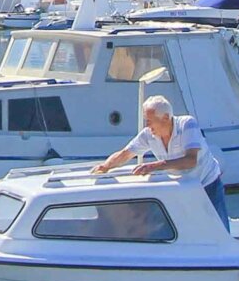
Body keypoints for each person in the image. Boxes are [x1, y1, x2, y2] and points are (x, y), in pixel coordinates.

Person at [92, 94, 228, 225]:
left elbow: (191, 160)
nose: (147, 125)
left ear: (165, 118)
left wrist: (155, 166)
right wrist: (105, 166)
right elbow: (125, 154)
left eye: (149, 121)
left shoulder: (187, 124)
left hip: (208, 185)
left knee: (219, 229)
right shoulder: (148, 134)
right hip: (183, 187)